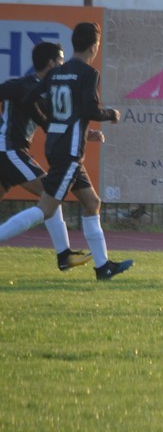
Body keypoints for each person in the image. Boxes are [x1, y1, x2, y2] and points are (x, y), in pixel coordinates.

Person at [0, 23, 133, 280]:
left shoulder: (55, 75)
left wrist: (56, 125)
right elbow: (90, 110)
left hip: (62, 148)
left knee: (92, 203)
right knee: (46, 207)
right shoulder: (88, 73)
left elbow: (33, 103)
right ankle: (67, 256)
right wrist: (111, 114)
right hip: (65, 152)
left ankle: (103, 266)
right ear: (94, 47)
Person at [0, 42, 94, 271]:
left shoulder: (46, 89)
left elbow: (51, 121)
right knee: (50, 194)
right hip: (8, 150)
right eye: (61, 60)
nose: (63, 64)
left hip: (12, 152)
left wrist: (86, 133)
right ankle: (64, 255)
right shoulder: (21, 85)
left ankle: (64, 256)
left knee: (51, 195)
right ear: (51, 63)